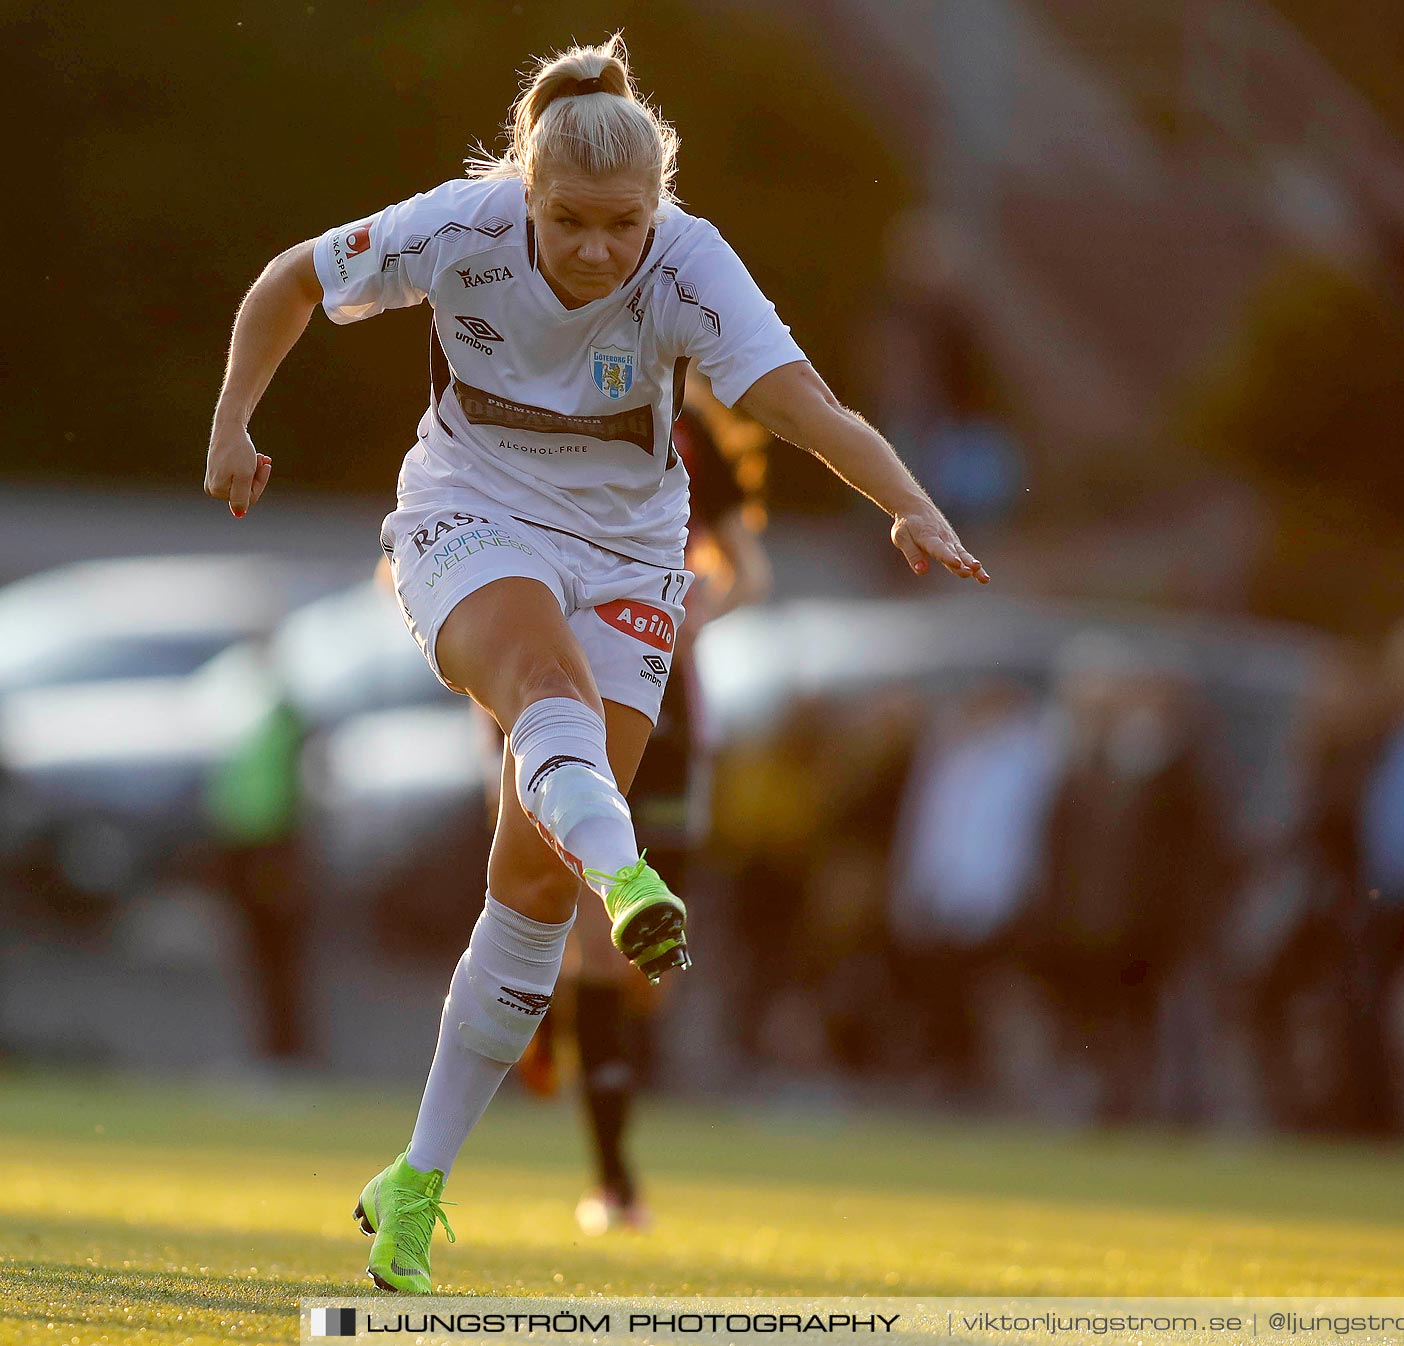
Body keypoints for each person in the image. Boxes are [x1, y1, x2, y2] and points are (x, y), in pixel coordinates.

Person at [202, 37, 988, 1294]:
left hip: (629, 557)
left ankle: (415, 1181)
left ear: (656, 209)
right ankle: (628, 871)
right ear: (524, 188)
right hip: (468, 518)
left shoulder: (689, 257)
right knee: (548, 700)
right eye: (568, 222)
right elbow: (291, 279)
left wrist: (908, 503)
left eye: (621, 226)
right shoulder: (460, 227)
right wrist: (235, 418)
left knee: (527, 897)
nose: (594, 251)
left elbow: (802, 403)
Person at [515, 389, 773, 1236]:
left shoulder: (691, 435)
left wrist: (696, 610)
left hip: (671, 721)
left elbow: (749, 571)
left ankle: (556, 1007)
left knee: (651, 962)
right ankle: (616, 1186)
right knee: (598, 943)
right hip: (568, 702)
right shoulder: (531, 396)